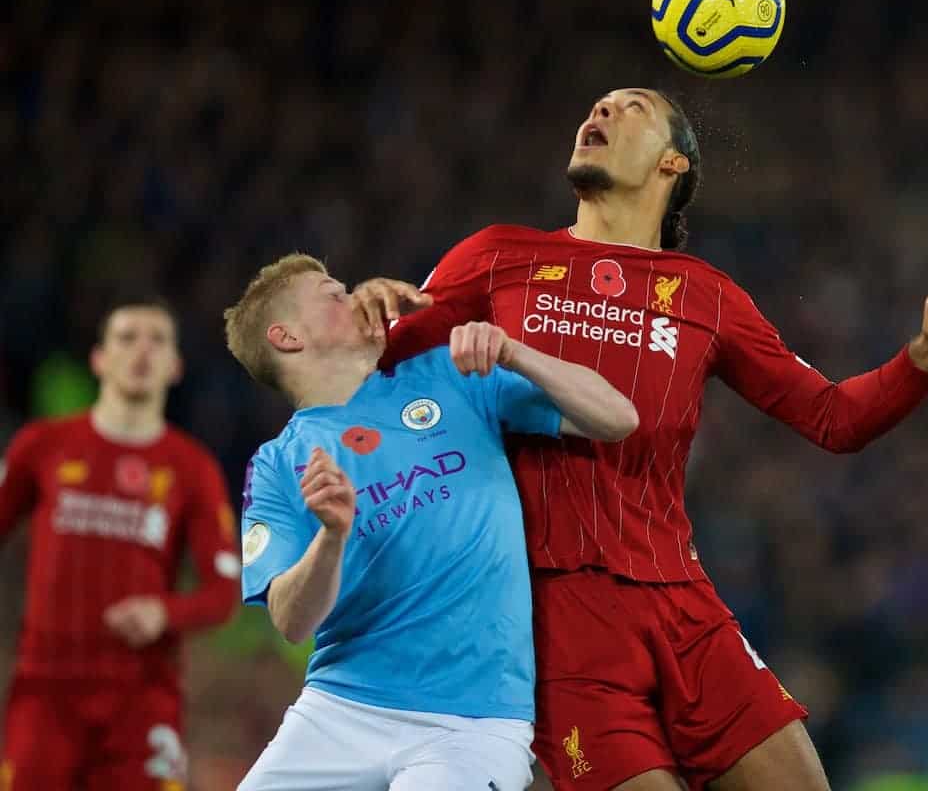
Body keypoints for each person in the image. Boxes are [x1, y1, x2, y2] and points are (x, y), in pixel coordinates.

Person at [352, 87, 928, 790]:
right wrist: (358, 322)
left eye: (629, 106)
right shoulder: (496, 256)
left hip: (684, 606)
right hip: (557, 622)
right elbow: (363, 383)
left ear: (673, 164)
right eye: (597, 105)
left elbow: (834, 419)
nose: (599, 112)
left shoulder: (707, 295)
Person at [222, 254, 637, 790]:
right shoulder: (278, 465)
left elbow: (617, 417)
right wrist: (332, 536)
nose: (357, 299)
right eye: (334, 293)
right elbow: (290, 620)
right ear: (287, 337)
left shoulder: (447, 375)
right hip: (341, 710)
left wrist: (515, 353)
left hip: (471, 721)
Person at [0, 298, 240, 791]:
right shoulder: (42, 446)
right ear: (99, 359)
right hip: (47, 691)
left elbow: (222, 593)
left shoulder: (192, 468)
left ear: (175, 367)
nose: (142, 351)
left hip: (141, 697)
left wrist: (164, 613)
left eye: (157, 340)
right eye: (127, 338)